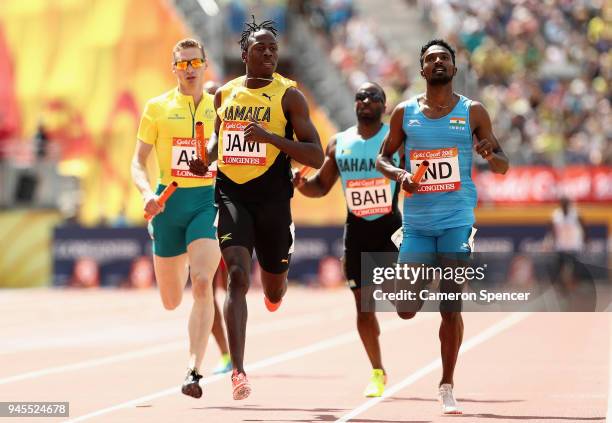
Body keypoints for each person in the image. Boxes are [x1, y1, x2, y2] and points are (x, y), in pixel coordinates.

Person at [189, 17, 324, 400]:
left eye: (273, 49)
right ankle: (239, 370)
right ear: (245, 53)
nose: (269, 53)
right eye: (261, 48)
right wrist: (207, 161)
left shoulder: (289, 96)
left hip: (273, 199)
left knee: (274, 285)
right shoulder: (225, 95)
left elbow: (314, 154)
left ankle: (275, 290)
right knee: (235, 275)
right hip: (232, 194)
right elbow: (220, 141)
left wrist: (270, 137)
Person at [376, 39, 509, 414]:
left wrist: (490, 154)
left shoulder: (473, 111)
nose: (437, 62)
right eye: (431, 59)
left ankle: (447, 383)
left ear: (453, 68)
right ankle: (422, 269)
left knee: (451, 304)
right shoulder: (404, 113)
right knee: (404, 308)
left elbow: (503, 164)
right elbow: (382, 158)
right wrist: (401, 174)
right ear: (422, 70)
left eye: (444, 59)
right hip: (417, 224)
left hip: (456, 220)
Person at [294, 82, 400, 397]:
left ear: (384, 105)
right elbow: (321, 187)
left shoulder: (395, 140)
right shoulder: (338, 143)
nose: (365, 101)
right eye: (360, 97)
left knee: (405, 305)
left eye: (373, 97)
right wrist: (300, 184)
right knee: (364, 309)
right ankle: (378, 372)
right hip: (356, 231)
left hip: (390, 229)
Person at [131, 38, 221, 399]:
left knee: (202, 283)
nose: (189, 69)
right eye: (182, 64)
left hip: (206, 202)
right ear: (174, 69)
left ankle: (194, 370)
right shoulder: (157, 107)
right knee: (171, 299)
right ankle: (179, 257)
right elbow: (137, 161)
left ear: (204, 64)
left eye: (194, 62)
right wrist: (146, 194)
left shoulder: (222, 106)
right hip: (167, 205)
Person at [203, 80, 233, 375]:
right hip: (204, 223)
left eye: (216, 96)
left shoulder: (231, 134)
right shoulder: (197, 135)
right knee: (206, 291)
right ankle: (225, 355)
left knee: (233, 288)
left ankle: (233, 351)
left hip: (230, 218)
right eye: (208, 96)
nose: (212, 101)